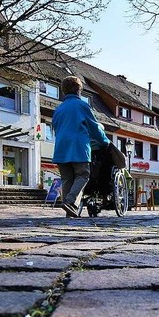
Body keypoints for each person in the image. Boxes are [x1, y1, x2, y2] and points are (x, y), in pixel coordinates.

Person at [52, 76, 110, 217]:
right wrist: (105, 141)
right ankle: (70, 201)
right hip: (78, 147)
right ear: (79, 91)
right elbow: (94, 127)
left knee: (67, 179)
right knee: (83, 175)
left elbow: (55, 128)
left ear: (64, 91)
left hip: (61, 148)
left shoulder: (58, 109)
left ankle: (70, 212)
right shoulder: (83, 106)